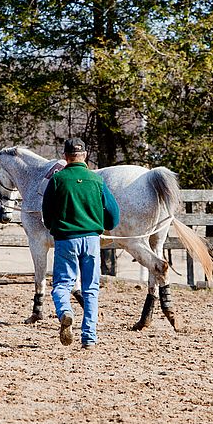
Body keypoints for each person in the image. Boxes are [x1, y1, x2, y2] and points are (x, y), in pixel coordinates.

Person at [42, 138, 120, 350]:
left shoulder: (57, 180)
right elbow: (113, 213)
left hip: (66, 240)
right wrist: (104, 225)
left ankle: (66, 311)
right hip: (92, 240)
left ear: (65, 156)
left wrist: (54, 228)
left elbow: (46, 213)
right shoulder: (96, 180)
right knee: (91, 288)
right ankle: (89, 337)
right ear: (84, 156)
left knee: (62, 285)